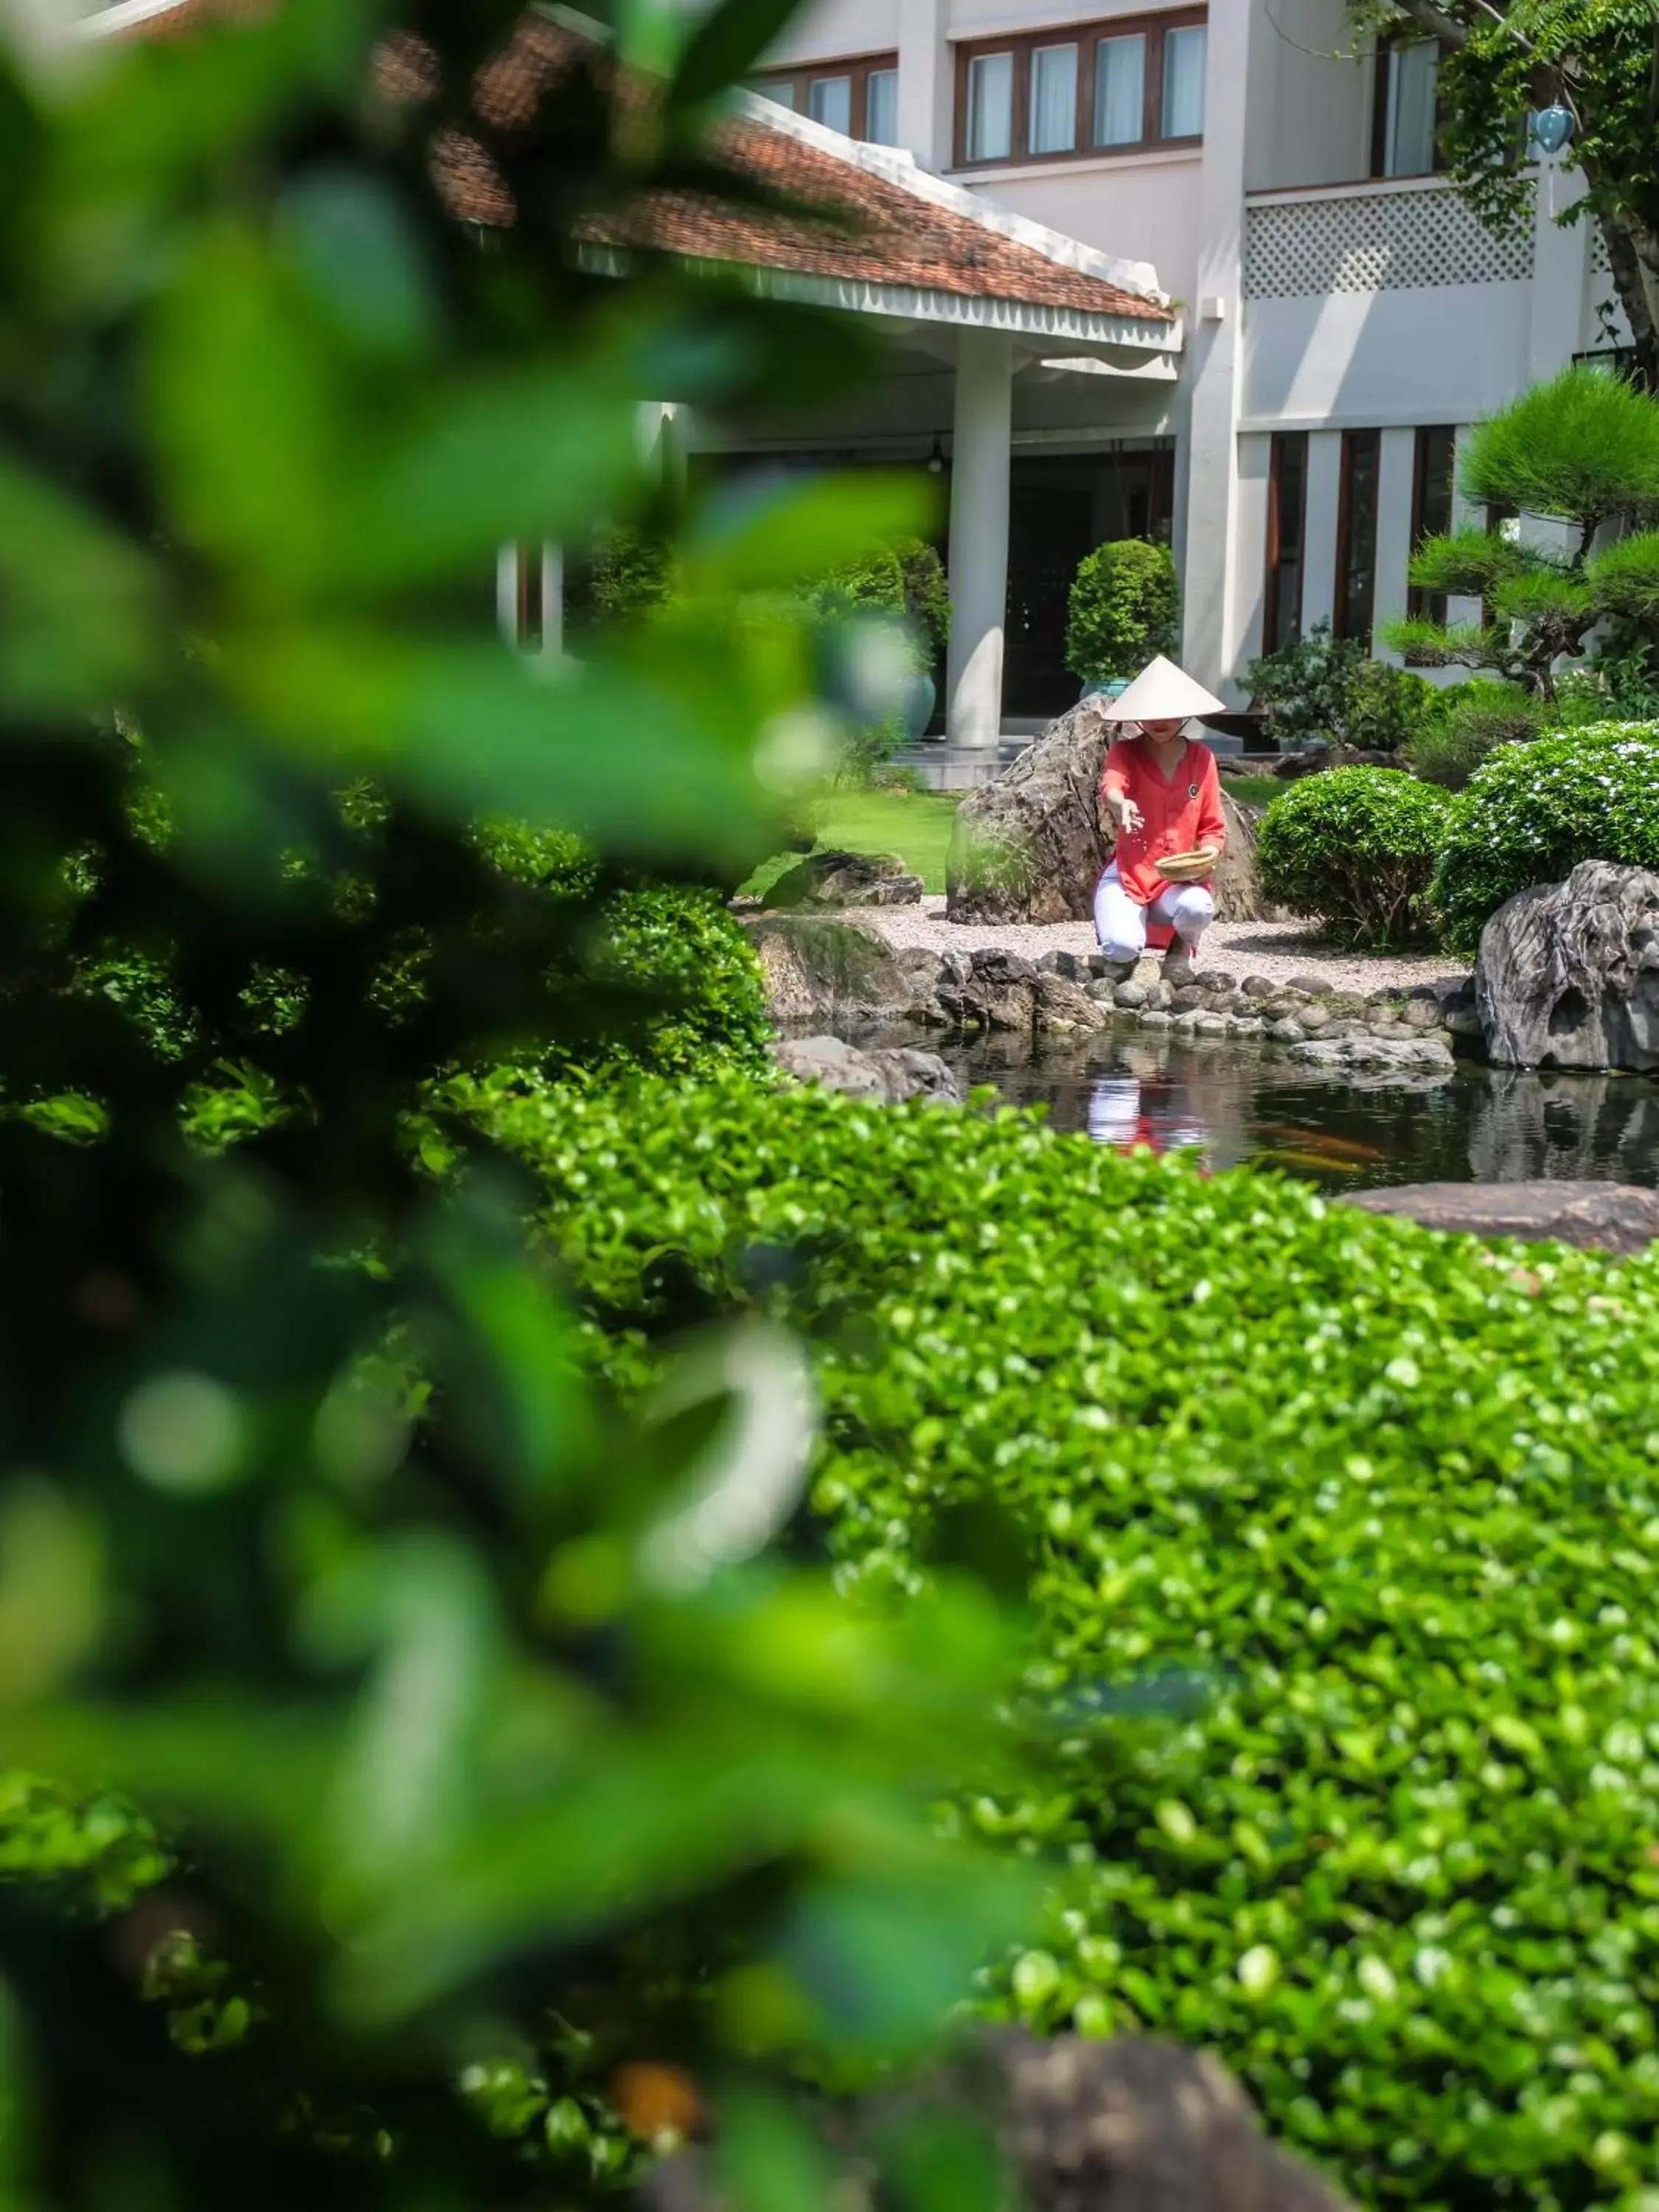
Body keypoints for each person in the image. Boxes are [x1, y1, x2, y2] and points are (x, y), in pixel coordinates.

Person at [1093, 654, 1228, 984]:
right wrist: (1121, 804)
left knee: (1198, 908)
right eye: (1151, 712)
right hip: (1130, 875)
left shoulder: (1202, 758)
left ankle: (1179, 953)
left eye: (1169, 711)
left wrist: (1209, 854)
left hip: (1178, 881)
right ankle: (1125, 934)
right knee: (1122, 948)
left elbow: (1213, 827)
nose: (1160, 720)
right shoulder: (1125, 752)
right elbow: (1111, 786)